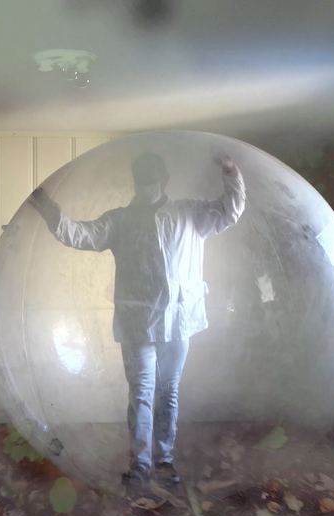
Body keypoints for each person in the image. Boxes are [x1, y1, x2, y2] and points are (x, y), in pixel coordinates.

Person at [28, 150, 246, 487]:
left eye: (152, 178)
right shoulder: (121, 220)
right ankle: (141, 465)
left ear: (164, 180)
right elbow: (79, 234)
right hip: (138, 324)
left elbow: (230, 211)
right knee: (142, 394)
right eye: (141, 179)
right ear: (135, 182)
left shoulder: (189, 213)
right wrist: (47, 208)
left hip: (179, 320)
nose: (147, 185)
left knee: (169, 391)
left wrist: (230, 172)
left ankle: (165, 460)